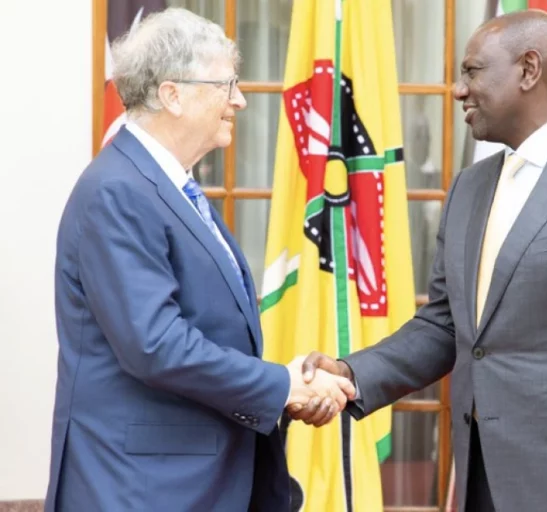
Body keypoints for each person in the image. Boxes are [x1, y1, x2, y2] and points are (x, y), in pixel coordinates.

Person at [289, 10, 547, 512]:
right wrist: (350, 373)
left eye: (473, 71)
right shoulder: (470, 188)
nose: (459, 90)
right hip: (481, 481)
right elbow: (443, 326)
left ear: (528, 70)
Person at [45, 8, 354, 511]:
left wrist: (285, 383)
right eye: (225, 84)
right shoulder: (118, 191)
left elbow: (208, 327)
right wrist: (280, 385)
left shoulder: (168, 184)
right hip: (141, 487)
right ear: (172, 94)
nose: (240, 99)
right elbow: (155, 344)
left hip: (189, 479)